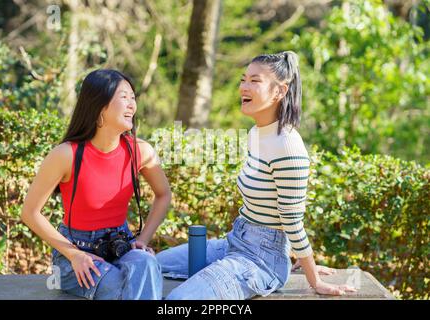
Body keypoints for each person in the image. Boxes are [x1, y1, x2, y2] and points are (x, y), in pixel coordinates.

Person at [156, 51, 357, 299]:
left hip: (261, 261)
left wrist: (312, 276)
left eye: (255, 81)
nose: (244, 87)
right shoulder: (256, 133)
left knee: (180, 301)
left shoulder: (288, 146)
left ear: (279, 92)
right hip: (235, 241)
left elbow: (292, 221)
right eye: (244, 79)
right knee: (154, 264)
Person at [21, 69, 171, 300]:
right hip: (73, 256)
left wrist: (141, 241)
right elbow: (30, 213)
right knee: (120, 287)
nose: (132, 105)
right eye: (124, 97)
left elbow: (163, 195)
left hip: (121, 245)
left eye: (133, 97)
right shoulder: (66, 155)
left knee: (147, 265)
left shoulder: (140, 151)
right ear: (100, 106)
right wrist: (74, 254)